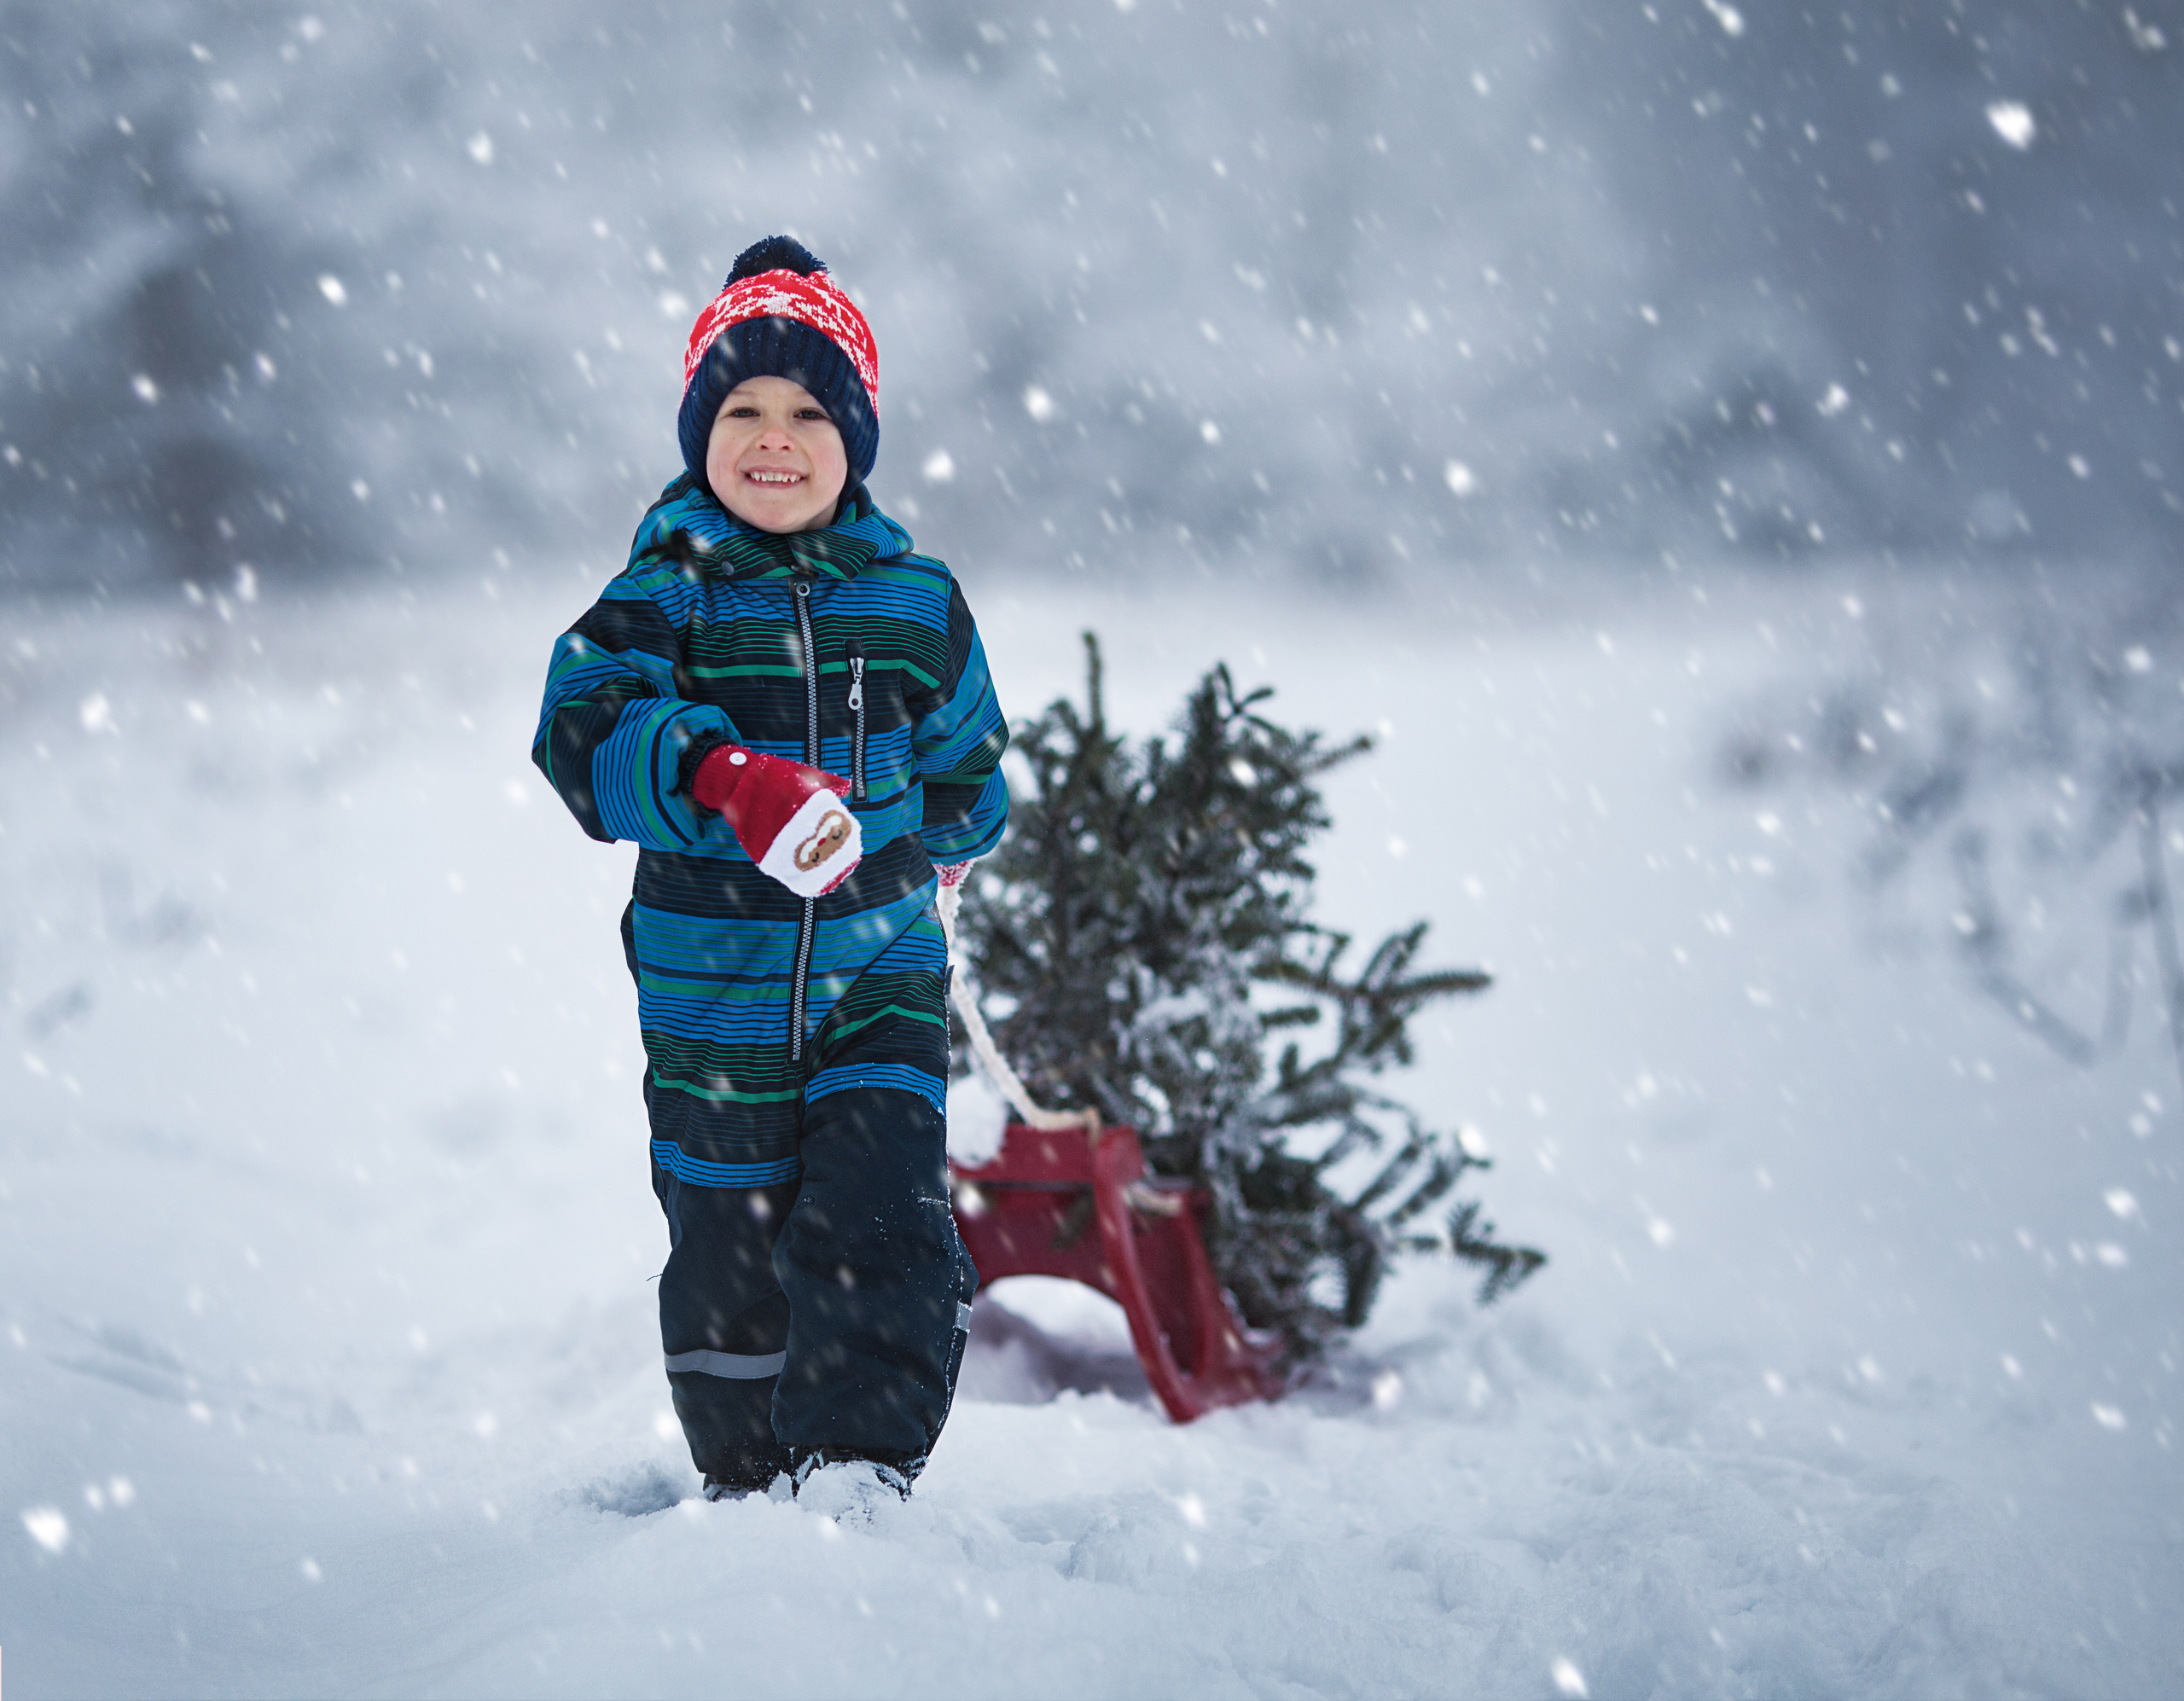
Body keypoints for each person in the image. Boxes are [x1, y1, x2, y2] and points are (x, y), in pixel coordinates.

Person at [531, 235, 1009, 1507]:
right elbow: (580, 731)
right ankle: (747, 1479)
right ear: (702, 433)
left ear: (854, 436)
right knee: (725, 1247)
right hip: (713, 994)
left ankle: (859, 1466)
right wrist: (720, 778)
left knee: (881, 1208)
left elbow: (971, 765)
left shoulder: (914, 599)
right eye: (741, 408)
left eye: (808, 410)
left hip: (879, 975)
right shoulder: (665, 592)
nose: (774, 436)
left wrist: (950, 841)